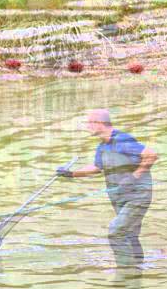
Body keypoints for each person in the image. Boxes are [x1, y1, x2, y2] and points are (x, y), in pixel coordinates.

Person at [58, 110, 160, 268]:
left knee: (116, 232)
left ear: (100, 123)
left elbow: (151, 155)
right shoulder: (102, 146)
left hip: (138, 195)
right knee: (130, 234)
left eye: (89, 123)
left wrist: (135, 176)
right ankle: (137, 269)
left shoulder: (122, 140)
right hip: (119, 196)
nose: (87, 127)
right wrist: (71, 173)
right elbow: (96, 167)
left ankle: (125, 272)